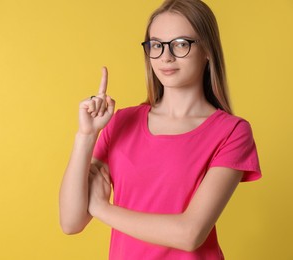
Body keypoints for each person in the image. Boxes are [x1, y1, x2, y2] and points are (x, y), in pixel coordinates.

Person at [59, 0, 261, 259]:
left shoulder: (232, 132)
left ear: (208, 50)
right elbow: (71, 222)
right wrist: (86, 136)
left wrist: (102, 209)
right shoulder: (121, 122)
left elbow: (189, 234)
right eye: (156, 45)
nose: (166, 56)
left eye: (180, 44)